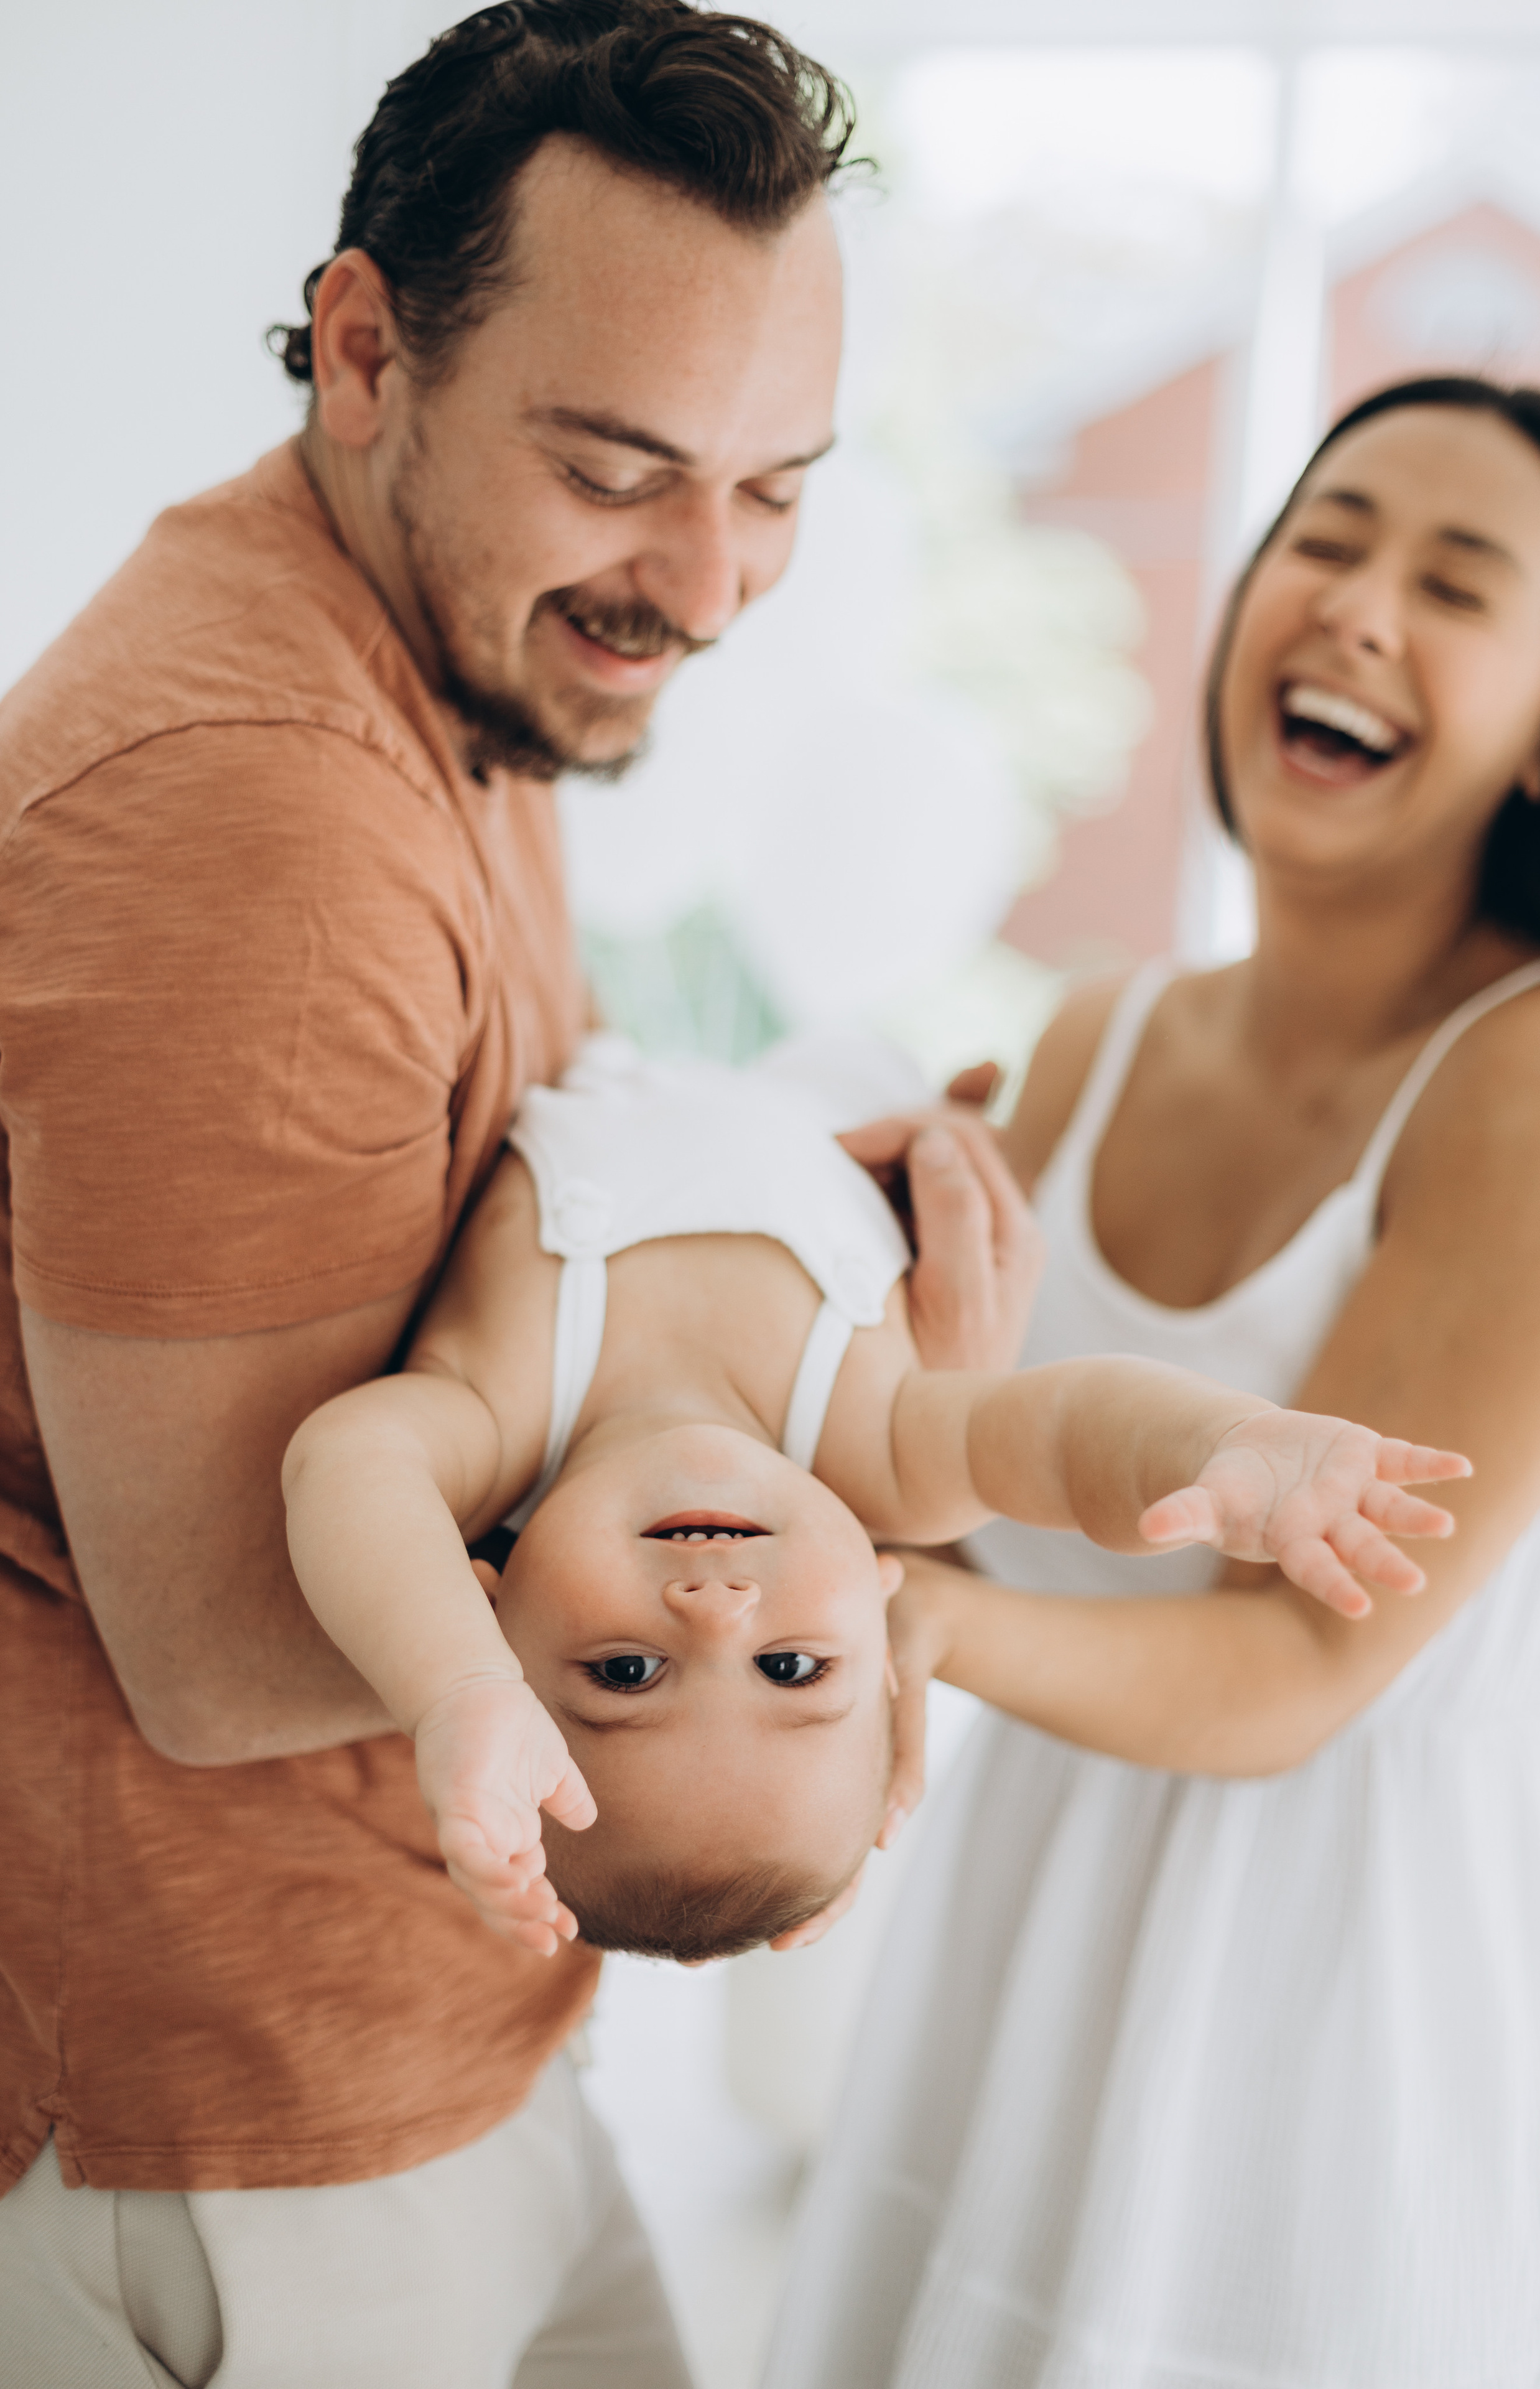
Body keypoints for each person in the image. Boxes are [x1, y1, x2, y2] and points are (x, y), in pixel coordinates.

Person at [0, 7, 967, 2384]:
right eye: (624, 469)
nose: (713, 585)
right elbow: (227, 1645)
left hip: (418, 2042)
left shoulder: (471, 656)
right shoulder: (268, 819)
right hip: (245, 2126)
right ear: (363, 348)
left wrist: (734, 1246)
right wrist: (860, 1510)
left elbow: (450, 1211)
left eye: (774, 485)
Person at [765, 375, 1540, 2389]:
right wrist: (853, 1273)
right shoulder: (1094, 1032)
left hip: (1334, 1997)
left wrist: (924, 1622)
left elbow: (1297, 1672)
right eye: (1327, 536)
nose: (1360, 607)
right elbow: (947, 1477)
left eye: (1457, 582)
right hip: (1036, 1915)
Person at [280, 1032, 1463, 1966]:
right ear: (882, 1618)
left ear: (489, 1609)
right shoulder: (887, 1453)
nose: (717, 1611)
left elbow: (347, 1467)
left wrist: (454, 1693)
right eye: (796, 1671)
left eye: (625, 1674)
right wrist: (1224, 1441)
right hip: (852, 1096)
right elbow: (1060, 1435)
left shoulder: (496, 1417)